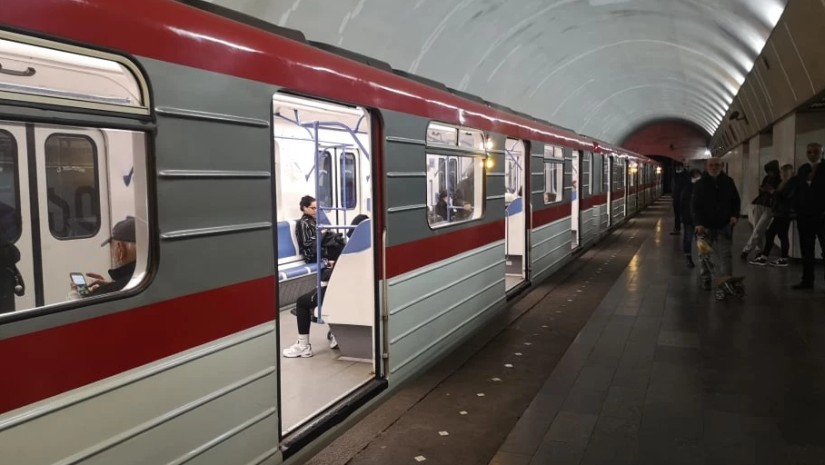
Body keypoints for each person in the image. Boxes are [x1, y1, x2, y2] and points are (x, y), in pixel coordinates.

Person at [283, 214, 369, 358]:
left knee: (302, 302)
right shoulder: (369, 249)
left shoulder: (349, 252)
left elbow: (336, 274)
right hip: (357, 291)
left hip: (340, 292)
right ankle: (335, 334)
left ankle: (303, 346)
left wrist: (332, 268)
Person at [692, 158, 741, 291]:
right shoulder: (700, 184)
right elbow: (695, 206)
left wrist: (734, 215)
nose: (714, 168)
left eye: (716, 165)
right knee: (704, 254)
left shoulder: (729, 182)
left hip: (724, 225)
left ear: (722, 166)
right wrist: (698, 223)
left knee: (726, 254)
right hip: (704, 227)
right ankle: (706, 278)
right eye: (711, 165)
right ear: (706, 167)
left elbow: (736, 201)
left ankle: (726, 280)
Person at [72, 216, 137, 298]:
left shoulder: (107, 292)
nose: (112, 253)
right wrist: (111, 285)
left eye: (112, 247)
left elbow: (82, 307)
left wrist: (74, 295)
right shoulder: (143, 280)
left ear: (120, 250)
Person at [791, 143, 825, 290]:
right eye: (809, 152)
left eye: (815, 152)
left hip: (822, 215)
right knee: (806, 249)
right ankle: (807, 280)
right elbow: (797, 190)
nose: (812, 155)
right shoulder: (803, 169)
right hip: (804, 216)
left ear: (821, 153)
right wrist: (797, 210)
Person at [750, 164, 797, 267]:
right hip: (782, 213)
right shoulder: (785, 183)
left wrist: (773, 192)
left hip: (784, 213)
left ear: (786, 173)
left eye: (782, 172)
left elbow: (784, 198)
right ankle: (778, 258)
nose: (780, 174)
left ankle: (766, 257)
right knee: (781, 235)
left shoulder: (791, 184)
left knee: (772, 234)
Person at [741, 160, 781, 260]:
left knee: (758, 229)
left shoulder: (779, 179)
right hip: (760, 203)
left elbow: (777, 193)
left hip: (769, 205)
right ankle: (759, 250)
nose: (769, 173)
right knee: (757, 229)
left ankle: (747, 250)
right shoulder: (767, 178)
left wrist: (770, 191)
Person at [680, 169, 702, 268]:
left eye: (698, 176)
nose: (697, 178)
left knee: (701, 239)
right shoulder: (687, 188)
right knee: (688, 238)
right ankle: (688, 257)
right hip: (689, 219)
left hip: (700, 220)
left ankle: (703, 257)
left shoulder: (703, 188)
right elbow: (683, 204)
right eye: (695, 176)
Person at [671, 163, 689, 235]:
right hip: (676, 198)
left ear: (683, 167)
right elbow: (673, 185)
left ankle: (687, 229)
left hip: (685, 199)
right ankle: (677, 228)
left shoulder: (687, 175)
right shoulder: (675, 175)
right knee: (677, 214)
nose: (678, 169)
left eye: (679, 167)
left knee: (685, 215)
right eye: (677, 167)